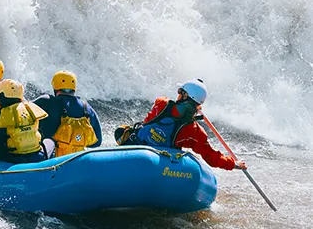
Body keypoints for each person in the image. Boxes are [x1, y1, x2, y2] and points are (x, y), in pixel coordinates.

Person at [114, 79, 247, 171]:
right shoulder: (194, 131)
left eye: (180, 92)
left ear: (184, 95)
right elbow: (211, 158)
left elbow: (147, 121)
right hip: (158, 164)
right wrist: (234, 164)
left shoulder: (161, 103)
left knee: (124, 130)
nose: (178, 94)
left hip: (135, 149)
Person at [33, 70, 102, 157]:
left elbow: (24, 110)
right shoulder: (87, 108)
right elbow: (97, 142)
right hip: (76, 158)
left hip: (52, 160)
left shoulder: (46, 101)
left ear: (55, 86)